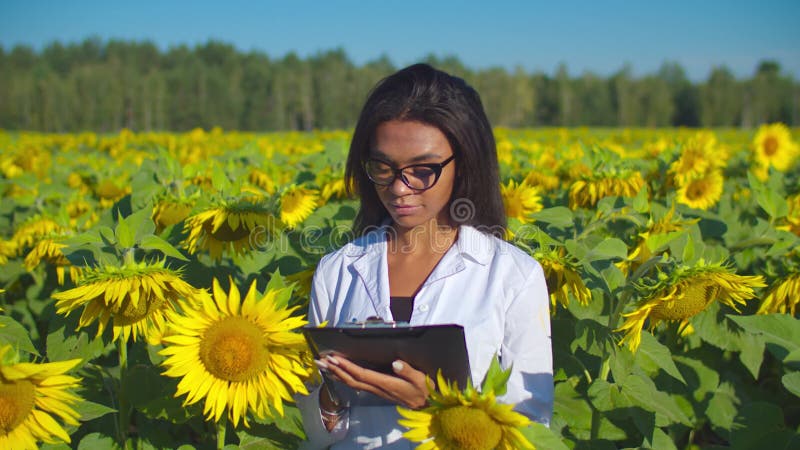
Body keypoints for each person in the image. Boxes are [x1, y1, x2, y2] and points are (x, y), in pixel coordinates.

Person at [296, 63, 553, 449]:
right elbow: (319, 436)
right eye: (382, 168)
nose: (400, 188)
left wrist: (435, 405)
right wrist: (333, 394)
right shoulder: (337, 271)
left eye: (422, 170)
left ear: (463, 163)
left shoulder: (513, 276)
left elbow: (531, 428)